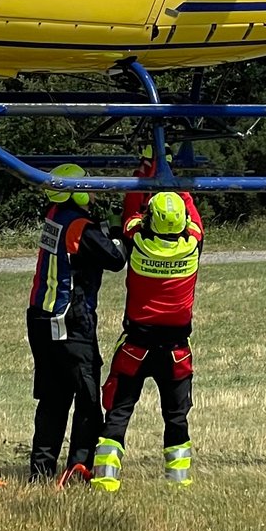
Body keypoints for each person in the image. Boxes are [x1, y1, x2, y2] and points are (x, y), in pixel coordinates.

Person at [91, 189, 203, 492]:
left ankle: (104, 480)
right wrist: (174, 179)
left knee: (118, 412)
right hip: (176, 352)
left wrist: (146, 175)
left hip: (136, 348)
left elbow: (129, 212)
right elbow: (193, 215)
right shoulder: (193, 245)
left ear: (150, 220)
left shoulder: (136, 241)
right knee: (176, 417)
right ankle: (179, 482)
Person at [25, 164, 126, 485]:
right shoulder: (79, 225)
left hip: (41, 318)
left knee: (53, 401)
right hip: (69, 322)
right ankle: (78, 469)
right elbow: (115, 259)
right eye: (87, 185)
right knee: (87, 401)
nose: (94, 190)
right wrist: (123, 235)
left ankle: (40, 474)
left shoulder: (55, 214)